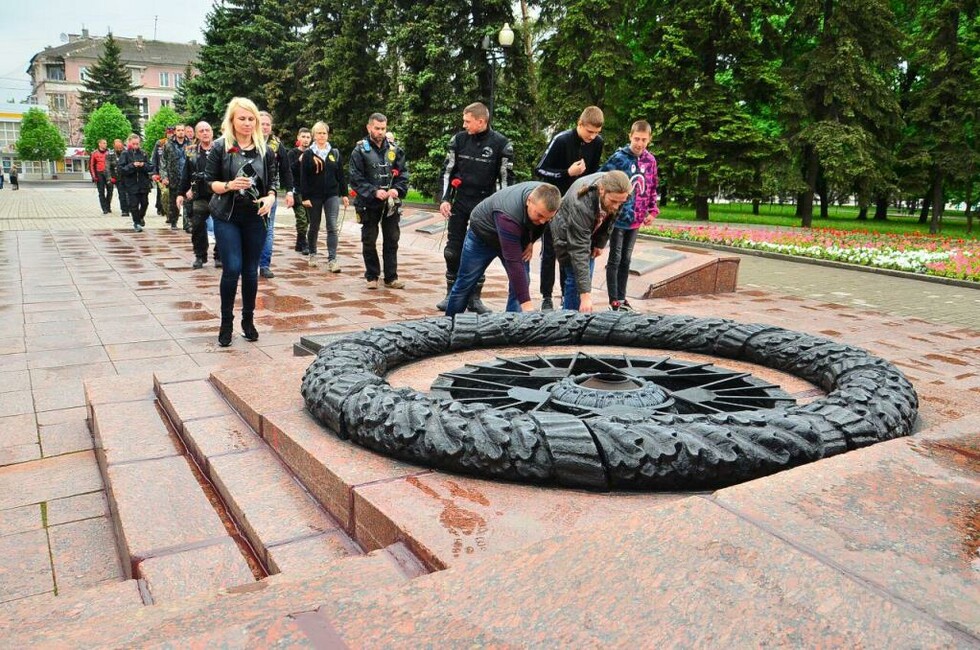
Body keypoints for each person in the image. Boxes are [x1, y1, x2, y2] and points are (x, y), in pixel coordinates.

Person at [205, 97, 279, 347]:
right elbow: (209, 182)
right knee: (232, 267)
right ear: (232, 120)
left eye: (251, 119)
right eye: (242, 118)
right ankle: (226, 322)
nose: (247, 123)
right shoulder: (220, 147)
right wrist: (229, 185)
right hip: (227, 215)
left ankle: (248, 320)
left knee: (250, 269)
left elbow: (273, 182)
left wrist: (270, 198)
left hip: (255, 216)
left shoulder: (265, 150)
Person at [436, 102, 514, 313]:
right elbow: (447, 171)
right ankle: (451, 293)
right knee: (453, 251)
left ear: (481, 121)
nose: (464, 125)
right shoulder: (459, 140)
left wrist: (502, 208)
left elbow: (505, 180)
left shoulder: (501, 144)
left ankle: (475, 298)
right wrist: (445, 199)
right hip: (461, 201)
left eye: (467, 121)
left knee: (479, 250)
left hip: (485, 205)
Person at [445, 182, 562, 316]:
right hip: (482, 236)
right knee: (465, 282)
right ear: (529, 201)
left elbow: (542, 223)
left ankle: (512, 324)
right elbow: (513, 263)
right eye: (540, 215)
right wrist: (527, 306)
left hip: (516, 236)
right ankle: (450, 322)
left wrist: (531, 241)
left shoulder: (547, 197)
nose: (542, 221)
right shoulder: (508, 214)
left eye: (548, 218)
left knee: (522, 281)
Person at [534, 106, 605, 310]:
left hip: (579, 205)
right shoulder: (562, 140)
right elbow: (540, 169)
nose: (592, 136)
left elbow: (593, 173)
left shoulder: (597, 143)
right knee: (550, 251)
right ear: (579, 124)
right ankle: (546, 296)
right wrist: (567, 172)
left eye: (596, 133)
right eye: (589, 131)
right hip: (554, 202)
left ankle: (567, 295)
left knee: (570, 251)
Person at [599, 120, 660, 311]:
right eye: (636, 139)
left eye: (644, 140)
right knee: (615, 259)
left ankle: (622, 297)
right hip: (618, 218)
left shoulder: (650, 161)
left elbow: (652, 186)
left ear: (649, 139)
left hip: (636, 219)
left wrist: (652, 210)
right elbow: (601, 177)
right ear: (630, 137)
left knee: (626, 259)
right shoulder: (619, 158)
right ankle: (613, 301)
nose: (639, 143)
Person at [550, 170, 631, 313]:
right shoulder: (581, 202)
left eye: (621, 202)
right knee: (575, 280)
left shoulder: (620, 191)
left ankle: (577, 312)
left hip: (590, 233)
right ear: (602, 190)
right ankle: (569, 320)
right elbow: (579, 248)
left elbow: (612, 217)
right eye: (613, 201)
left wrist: (600, 243)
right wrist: (585, 295)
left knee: (584, 278)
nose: (616, 206)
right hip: (566, 234)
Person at [349, 112, 409, 290]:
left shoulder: (394, 149)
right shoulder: (360, 150)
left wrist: (397, 189)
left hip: (390, 203)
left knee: (392, 239)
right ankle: (372, 275)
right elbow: (355, 177)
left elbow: (403, 173)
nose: (380, 132)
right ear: (369, 127)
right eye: (377, 128)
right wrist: (373, 191)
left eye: (383, 128)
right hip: (368, 203)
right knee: (369, 239)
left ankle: (391, 277)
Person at [300, 121, 349, 271]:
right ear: (314, 135)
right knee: (314, 225)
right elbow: (304, 177)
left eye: (324, 133)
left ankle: (332, 259)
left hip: (332, 194)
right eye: (319, 133)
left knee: (332, 226)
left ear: (328, 135)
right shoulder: (308, 154)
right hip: (314, 196)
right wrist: (304, 197)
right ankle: (313, 254)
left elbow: (340, 174)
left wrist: (344, 194)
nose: (322, 136)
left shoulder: (334, 153)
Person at [257, 111, 295, 279]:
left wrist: (289, 191)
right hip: (248, 194)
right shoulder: (246, 142)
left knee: (268, 229)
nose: (265, 127)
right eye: (262, 124)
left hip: (269, 194)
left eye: (268, 124)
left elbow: (286, 169)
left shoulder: (276, 145)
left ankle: (264, 265)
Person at [176, 121, 216, 269]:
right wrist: (181, 193)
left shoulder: (220, 149)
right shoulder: (191, 151)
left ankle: (219, 256)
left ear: (212, 132)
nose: (205, 133)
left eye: (207, 130)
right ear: (197, 134)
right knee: (198, 226)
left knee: (221, 227)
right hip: (199, 194)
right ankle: (200, 256)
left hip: (218, 195)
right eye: (201, 131)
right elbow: (186, 173)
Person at [117, 134, 153, 232]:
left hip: (143, 183)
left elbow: (150, 167)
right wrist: (132, 165)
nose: (136, 146)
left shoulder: (143, 153)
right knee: (134, 205)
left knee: (145, 203)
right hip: (131, 183)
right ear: (129, 143)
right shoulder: (125, 154)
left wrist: (143, 165)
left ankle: (140, 217)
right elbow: (121, 169)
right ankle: (136, 223)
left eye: (137, 144)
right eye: (133, 144)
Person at [160, 124, 191, 230]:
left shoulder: (190, 144)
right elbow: (163, 161)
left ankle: (187, 224)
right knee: (173, 202)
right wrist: (164, 176)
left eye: (182, 130)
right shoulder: (168, 144)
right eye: (178, 130)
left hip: (187, 177)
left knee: (188, 201)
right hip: (173, 177)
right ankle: (173, 222)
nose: (181, 132)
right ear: (175, 132)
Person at [290, 127, 312, 254]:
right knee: (302, 218)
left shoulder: (313, 153)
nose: (305, 139)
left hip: (309, 191)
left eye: (308, 137)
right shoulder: (292, 153)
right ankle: (304, 243)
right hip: (296, 190)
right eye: (303, 137)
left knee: (308, 219)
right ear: (298, 137)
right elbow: (288, 171)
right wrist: (299, 161)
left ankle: (299, 243)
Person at [90, 139, 113, 214]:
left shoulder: (109, 152)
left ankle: (108, 206)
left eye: (106, 143)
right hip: (99, 174)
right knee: (101, 192)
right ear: (99, 144)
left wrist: (113, 175)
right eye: (103, 143)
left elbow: (113, 164)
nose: (105, 144)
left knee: (110, 191)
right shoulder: (94, 153)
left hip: (108, 174)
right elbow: (91, 165)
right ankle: (104, 208)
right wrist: (94, 176)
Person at [108, 138, 129, 216]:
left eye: (120, 147)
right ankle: (124, 210)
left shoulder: (127, 152)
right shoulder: (110, 154)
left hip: (128, 176)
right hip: (117, 177)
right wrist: (109, 177)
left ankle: (130, 207)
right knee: (122, 194)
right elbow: (107, 167)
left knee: (129, 194)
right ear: (114, 146)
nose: (119, 149)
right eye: (117, 147)